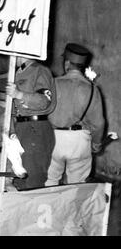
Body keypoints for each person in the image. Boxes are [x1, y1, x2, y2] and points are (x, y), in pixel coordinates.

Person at [45, 43, 105, 186]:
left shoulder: (52, 84)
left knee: (49, 182)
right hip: (79, 141)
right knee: (77, 186)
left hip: (53, 139)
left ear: (67, 63)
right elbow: (98, 123)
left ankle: (50, 208)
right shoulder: (91, 89)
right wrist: (96, 143)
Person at [6, 57, 56, 190]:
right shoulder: (17, 72)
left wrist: (19, 94)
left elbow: (44, 100)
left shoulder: (40, 70)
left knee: (33, 177)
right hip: (20, 127)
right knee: (19, 175)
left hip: (35, 128)